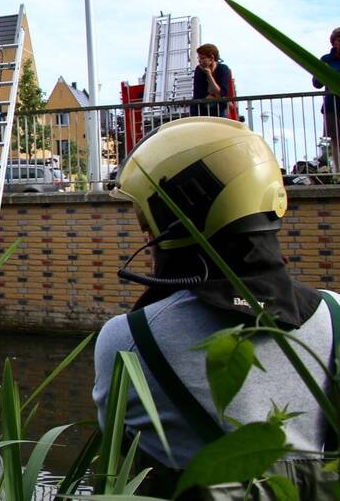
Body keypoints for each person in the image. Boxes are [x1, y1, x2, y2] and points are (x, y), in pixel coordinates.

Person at [93, 117, 338, 496]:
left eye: (147, 224)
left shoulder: (128, 341)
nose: (146, 235)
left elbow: (117, 450)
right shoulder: (335, 315)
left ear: (177, 222)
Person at [312, 27, 340, 173]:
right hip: (332, 106)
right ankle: (339, 172)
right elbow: (317, 84)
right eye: (339, 40)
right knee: (336, 140)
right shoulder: (326, 60)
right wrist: (322, 71)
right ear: (334, 42)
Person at [190, 43, 233, 118]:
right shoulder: (199, 69)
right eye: (198, 58)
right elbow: (199, 95)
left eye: (202, 58)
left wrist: (209, 74)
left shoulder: (223, 69)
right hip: (200, 110)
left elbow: (222, 93)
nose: (199, 61)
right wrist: (222, 99)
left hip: (218, 111)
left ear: (212, 58)